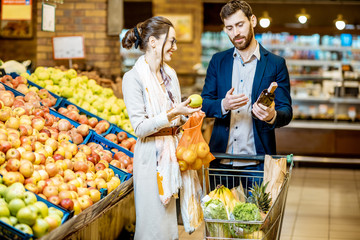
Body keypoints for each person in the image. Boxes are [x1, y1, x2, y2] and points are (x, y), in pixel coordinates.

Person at [121, 16, 201, 240]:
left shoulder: (170, 74)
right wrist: (173, 114)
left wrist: (187, 117)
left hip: (172, 155)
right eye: (172, 41)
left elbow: (175, 117)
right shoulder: (133, 78)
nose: (175, 47)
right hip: (150, 159)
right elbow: (139, 127)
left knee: (168, 229)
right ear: (154, 42)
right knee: (153, 228)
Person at [201, 0, 292, 182]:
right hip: (221, 160)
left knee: (257, 212)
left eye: (240, 25)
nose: (236, 33)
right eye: (229, 28)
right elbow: (204, 104)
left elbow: (286, 112)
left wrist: (271, 115)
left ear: (253, 21)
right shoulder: (218, 61)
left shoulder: (275, 64)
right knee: (218, 211)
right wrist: (223, 104)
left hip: (258, 162)